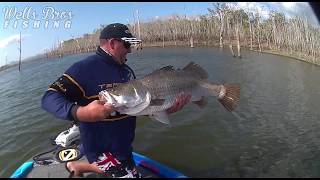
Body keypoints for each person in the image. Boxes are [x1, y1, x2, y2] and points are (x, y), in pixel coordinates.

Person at [41, 23, 191, 178]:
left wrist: (160, 109)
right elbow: (49, 97)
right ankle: (82, 165)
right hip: (101, 148)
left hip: (123, 146)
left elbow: (137, 106)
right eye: (127, 44)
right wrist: (81, 112)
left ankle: (76, 166)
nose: (130, 50)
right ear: (112, 43)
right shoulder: (83, 69)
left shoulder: (127, 71)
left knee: (121, 166)